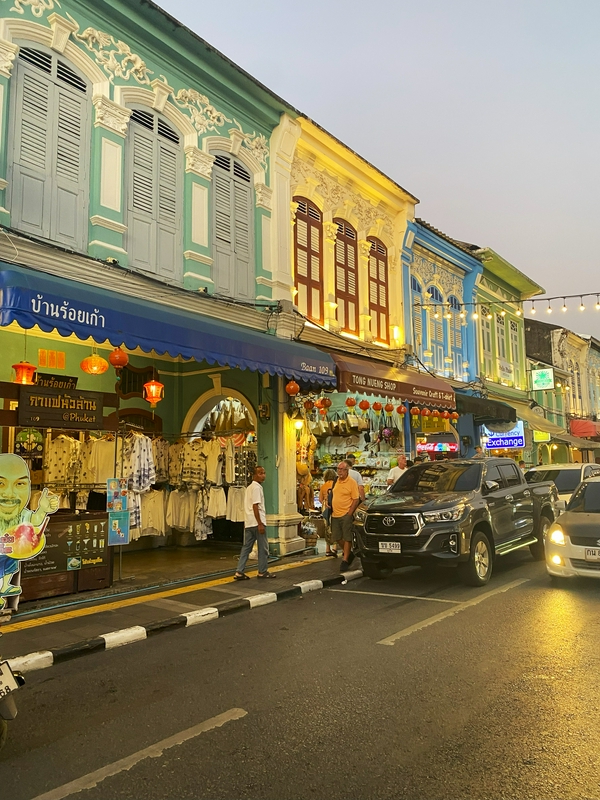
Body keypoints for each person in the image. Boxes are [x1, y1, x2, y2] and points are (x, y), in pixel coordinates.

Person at [0, 454, 59, 608]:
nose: (9, 493)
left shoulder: (22, 514)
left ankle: (5, 587)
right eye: (0, 483)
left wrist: (42, 510)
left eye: (20, 484)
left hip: (11, 551)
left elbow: (34, 521)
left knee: (10, 567)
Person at [234, 466, 275, 580]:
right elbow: (255, 506)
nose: (263, 475)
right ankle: (262, 571)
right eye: (260, 473)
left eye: (264, 473)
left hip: (249, 523)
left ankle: (239, 571)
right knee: (263, 548)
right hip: (257, 523)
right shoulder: (257, 488)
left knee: (246, 548)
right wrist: (260, 523)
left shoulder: (249, 488)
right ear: (254, 475)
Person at [331, 461, 360, 572]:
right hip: (335, 514)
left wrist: (349, 513)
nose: (339, 471)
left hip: (346, 514)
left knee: (347, 537)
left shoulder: (352, 482)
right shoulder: (336, 481)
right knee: (337, 537)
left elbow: (356, 499)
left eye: (341, 469)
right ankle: (349, 553)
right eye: (338, 469)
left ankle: (345, 559)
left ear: (347, 470)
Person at [319, 468, 338, 557]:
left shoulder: (323, 486)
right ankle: (335, 547)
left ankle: (327, 549)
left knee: (327, 527)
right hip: (335, 506)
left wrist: (325, 502)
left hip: (325, 508)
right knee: (335, 526)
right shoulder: (336, 485)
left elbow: (320, 499)